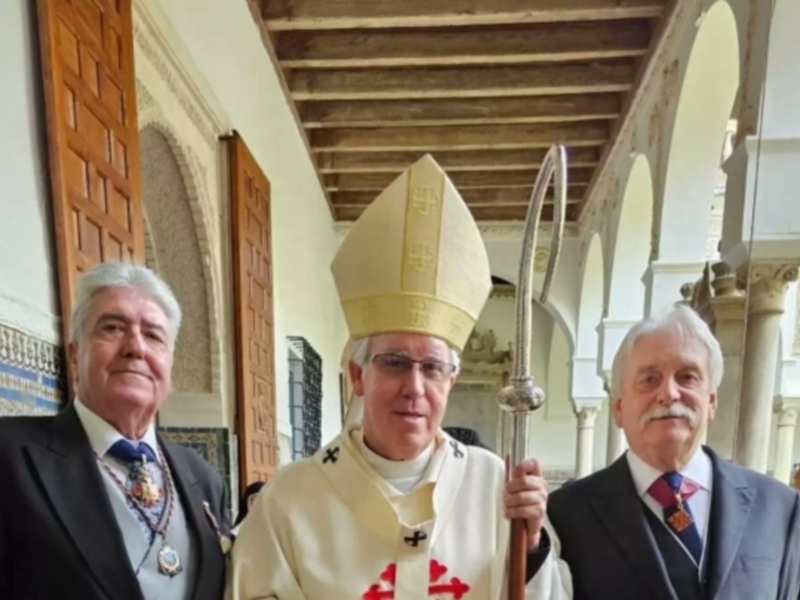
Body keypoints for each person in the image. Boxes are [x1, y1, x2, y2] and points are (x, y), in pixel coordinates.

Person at [226, 154, 568, 598]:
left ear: (451, 381)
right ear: (357, 375)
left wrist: (532, 543)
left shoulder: (495, 487)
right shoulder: (290, 500)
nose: (415, 387)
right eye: (394, 362)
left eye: (432, 367)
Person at [0, 262, 231, 600]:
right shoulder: (9, 455)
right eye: (112, 328)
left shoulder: (205, 480)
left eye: (153, 335)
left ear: (170, 365)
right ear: (76, 354)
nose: (135, 347)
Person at [537, 304, 800, 599]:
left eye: (687, 377)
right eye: (649, 380)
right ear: (619, 409)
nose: (669, 394)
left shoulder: (779, 508)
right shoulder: (566, 515)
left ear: (711, 401)